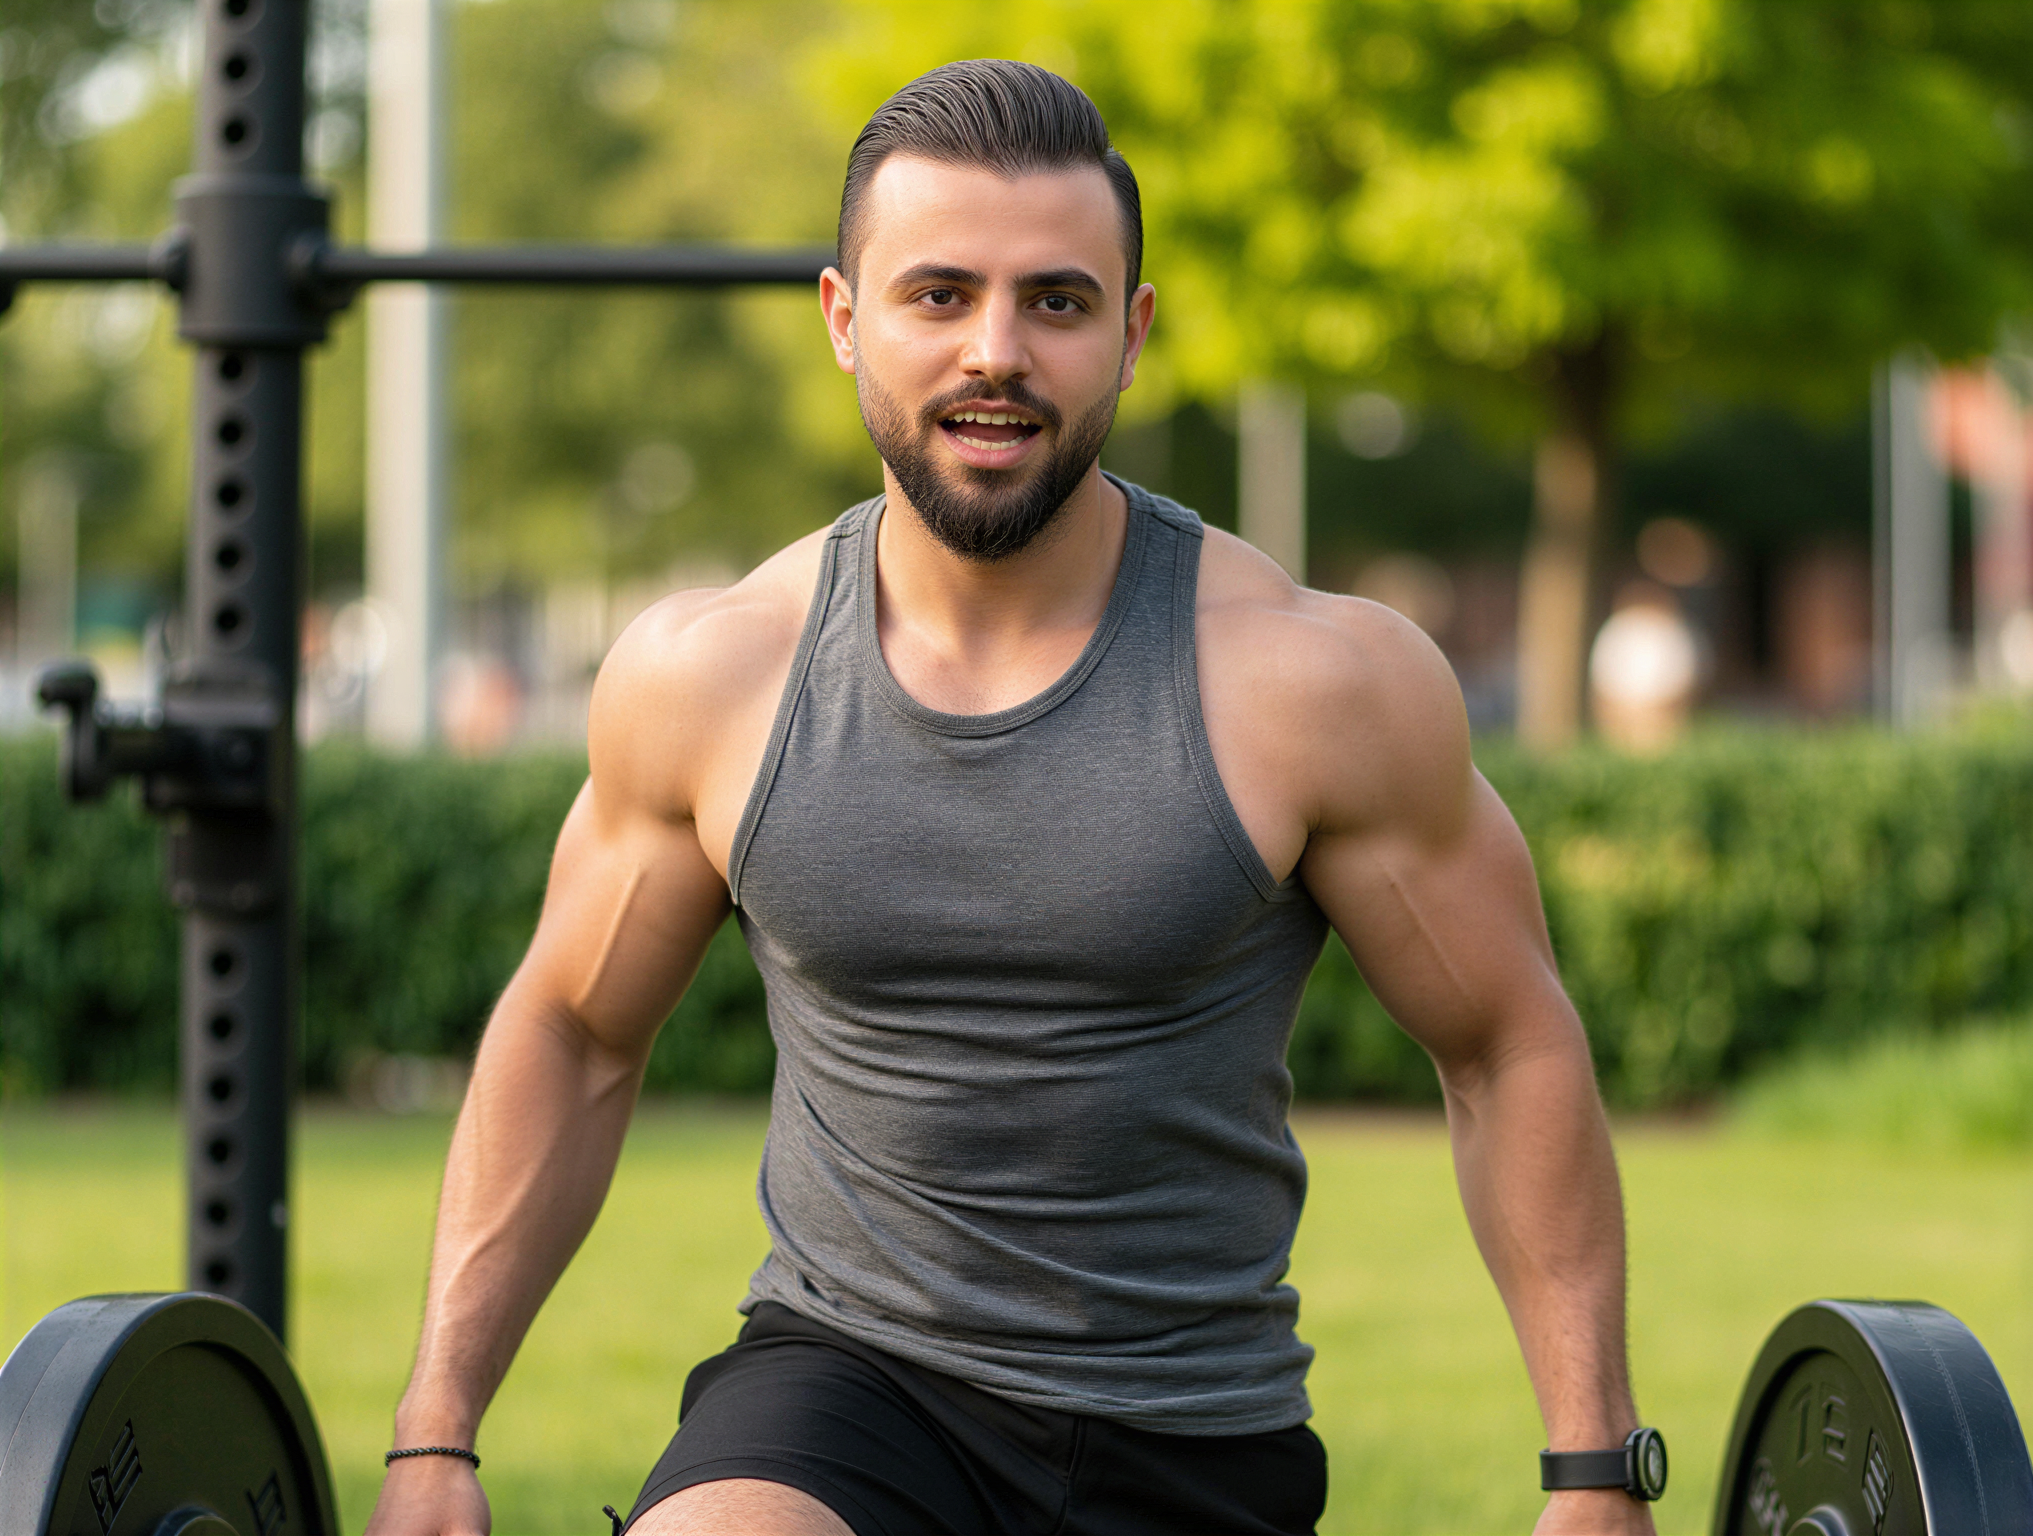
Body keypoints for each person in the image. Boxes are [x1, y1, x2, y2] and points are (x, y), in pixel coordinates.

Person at [366, 60, 1657, 1536]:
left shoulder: (1314, 682)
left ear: (1134, 331)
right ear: (847, 322)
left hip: (1191, 1432)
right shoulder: (712, 676)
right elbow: (577, 1029)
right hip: (846, 1385)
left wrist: (1594, 1470)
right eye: (938, 296)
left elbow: (1507, 1046)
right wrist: (434, 1433)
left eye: (1056, 301)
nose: (998, 351)